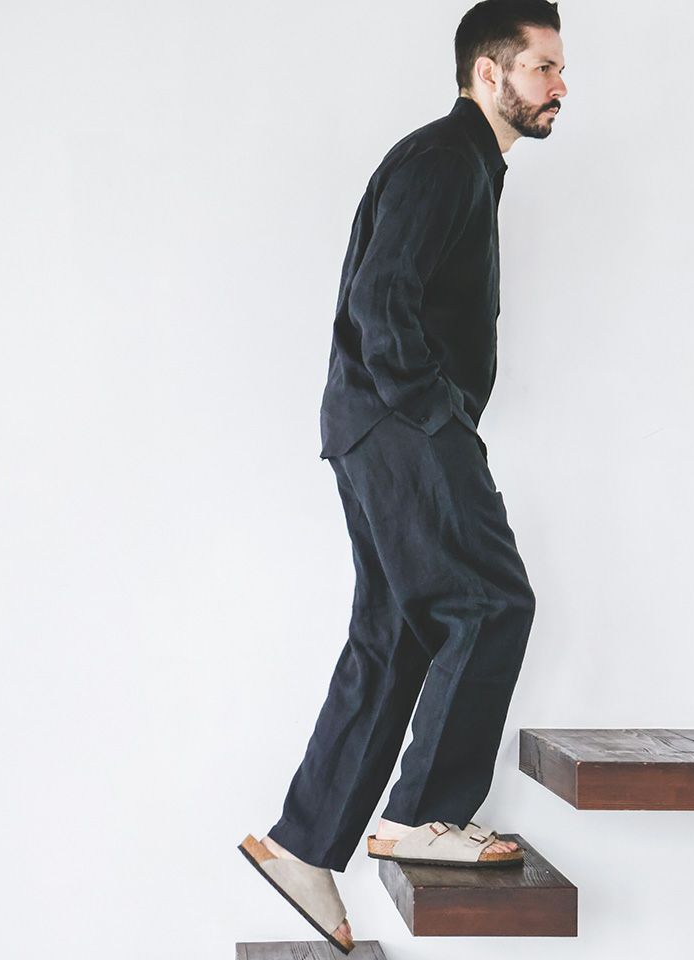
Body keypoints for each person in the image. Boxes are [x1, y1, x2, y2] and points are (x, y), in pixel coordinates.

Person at [239, 1, 567, 952]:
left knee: (396, 632)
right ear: (488, 73)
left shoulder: (464, 164)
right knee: (492, 601)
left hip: (371, 423)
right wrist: (437, 418)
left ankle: (304, 845)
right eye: (543, 67)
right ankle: (423, 815)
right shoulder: (444, 159)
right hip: (399, 421)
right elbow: (380, 298)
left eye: (559, 69)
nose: (559, 86)